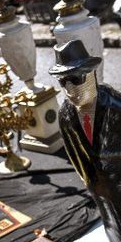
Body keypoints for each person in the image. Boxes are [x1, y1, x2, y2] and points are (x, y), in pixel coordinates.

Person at [49, 40, 121, 242]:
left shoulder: (117, 106)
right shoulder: (65, 114)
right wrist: (89, 180)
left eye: (76, 79)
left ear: (92, 74)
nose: (70, 90)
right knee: (112, 222)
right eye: (64, 82)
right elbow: (74, 152)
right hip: (99, 186)